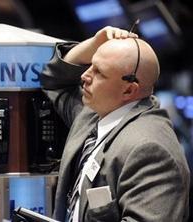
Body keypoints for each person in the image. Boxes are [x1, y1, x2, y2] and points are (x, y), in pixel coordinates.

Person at [40, 26, 190, 221]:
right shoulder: (94, 114)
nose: (84, 76)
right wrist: (94, 43)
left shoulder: (150, 151)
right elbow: (54, 79)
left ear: (129, 90)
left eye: (99, 72)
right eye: (90, 65)